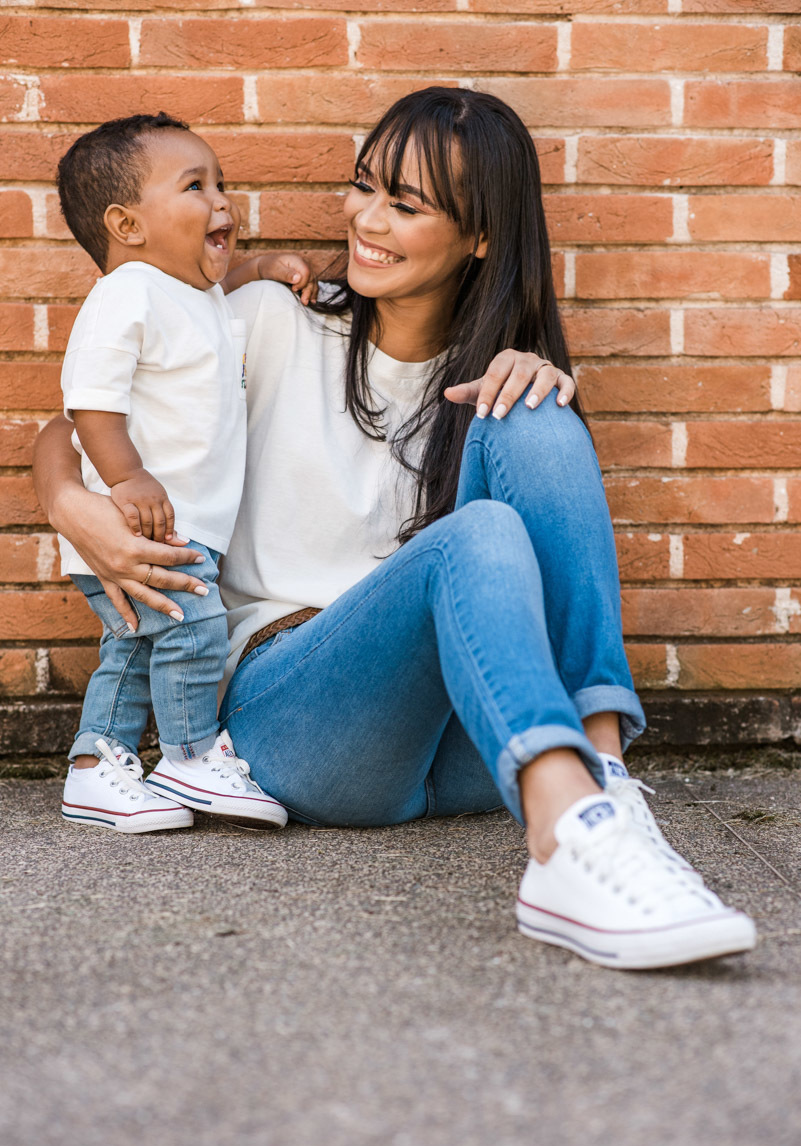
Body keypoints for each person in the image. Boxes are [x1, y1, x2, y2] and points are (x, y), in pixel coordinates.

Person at [35, 88, 755, 969]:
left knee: (536, 407)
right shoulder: (269, 320)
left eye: (405, 205)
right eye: (363, 186)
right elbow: (75, 425)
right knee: (476, 533)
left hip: (465, 738)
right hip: (299, 716)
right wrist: (74, 506)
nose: (365, 220)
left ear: (480, 236)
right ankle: (570, 840)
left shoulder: (484, 385)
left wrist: (536, 379)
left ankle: (597, 789)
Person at [52, 112, 315, 833]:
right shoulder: (125, 294)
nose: (222, 201)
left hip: (182, 523)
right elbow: (90, 403)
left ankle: (95, 768)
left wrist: (262, 268)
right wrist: (127, 478)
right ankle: (191, 755)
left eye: (221, 183)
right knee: (195, 634)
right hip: (136, 526)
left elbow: (221, 301)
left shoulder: (189, 296)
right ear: (127, 225)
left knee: (135, 648)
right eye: (196, 185)